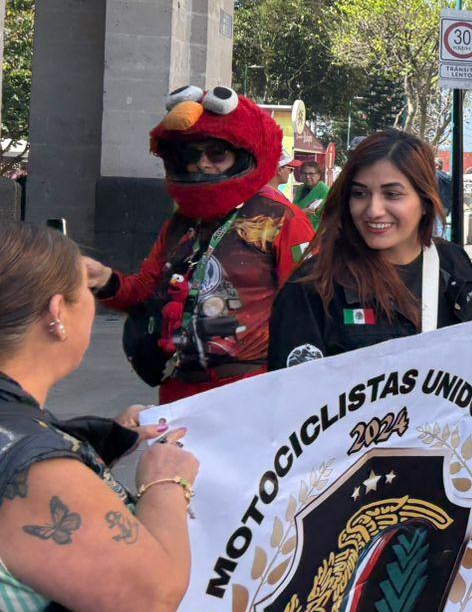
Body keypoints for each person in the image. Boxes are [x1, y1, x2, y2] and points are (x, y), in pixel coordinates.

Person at [0, 222, 202, 612]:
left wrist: (102, 444)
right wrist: (164, 483)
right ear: (56, 312)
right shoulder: (39, 471)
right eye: (87, 291)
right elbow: (149, 595)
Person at [268, 129, 472, 370]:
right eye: (360, 193)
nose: (373, 210)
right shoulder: (311, 288)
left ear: (425, 201)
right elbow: (290, 409)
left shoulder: (450, 262)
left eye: (392, 194)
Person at [83, 86, 315, 403]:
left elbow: (309, 310)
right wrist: (103, 279)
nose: (202, 164)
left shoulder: (280, 219)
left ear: (244, 153)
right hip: (178, 392)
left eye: (217, 153)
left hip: (250, 394)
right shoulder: (181, 223)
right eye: (190, 155)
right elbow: (144, 292)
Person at [294, 160, 329, 230]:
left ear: (319, 175)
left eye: (311, 174)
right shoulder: (301, 188)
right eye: (304, 173)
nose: (307, 177)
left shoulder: (324, 190)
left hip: (313, 234)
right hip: (297, 229)